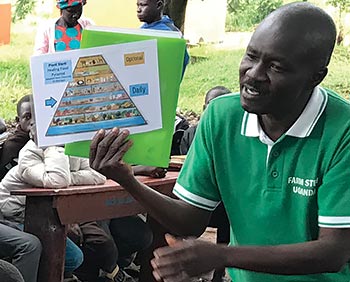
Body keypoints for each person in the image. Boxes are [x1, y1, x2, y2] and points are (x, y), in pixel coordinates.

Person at [89, 2, 350, 282]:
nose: (253, 74)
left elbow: (334, 252)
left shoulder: (341, 131)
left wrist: (222, 255)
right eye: (251, 56)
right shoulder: (221, 116)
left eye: (276, 67)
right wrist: (127, 180)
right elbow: (190, 219)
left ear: (315, 77)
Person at [137, 0, 189, 77]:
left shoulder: (170, 34)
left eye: (143, 5)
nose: (138, 10)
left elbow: (180, 63)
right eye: (137, 5)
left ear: (159, 5)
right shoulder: (142, 30)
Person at [0, 95, 32, 180]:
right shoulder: (13, 145)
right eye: (28, 117)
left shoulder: (48, 140)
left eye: (37, 116)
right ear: (18, 120)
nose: (33, 121)